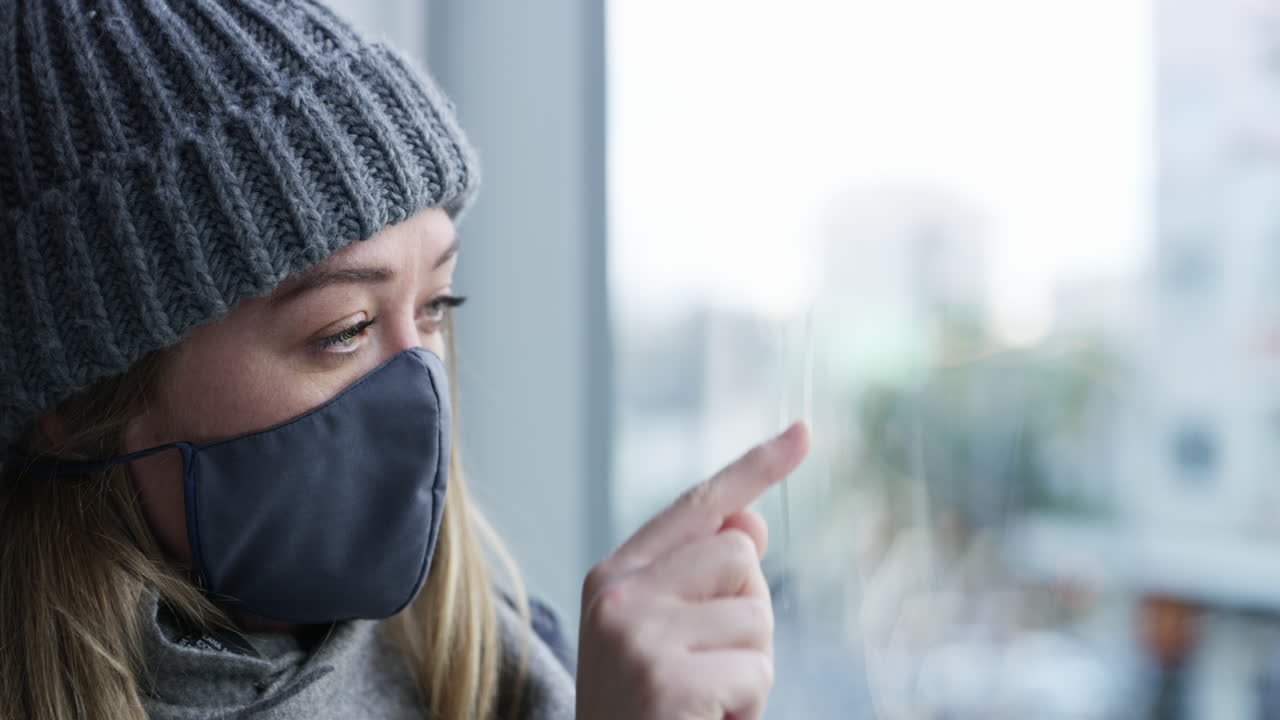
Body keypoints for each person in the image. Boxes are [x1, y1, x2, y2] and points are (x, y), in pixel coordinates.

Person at [0, 1, 810, 718]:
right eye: (345, 329)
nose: (416, 385)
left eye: (435, 308)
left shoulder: (524, 664)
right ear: (78, 405)